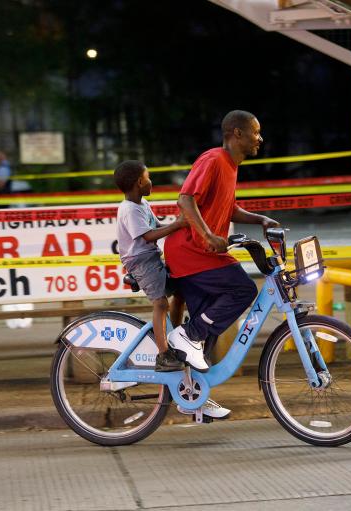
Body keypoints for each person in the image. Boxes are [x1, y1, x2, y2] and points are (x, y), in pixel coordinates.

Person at [164, 110, 279, 419]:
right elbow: (185, 199)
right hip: (191, 252)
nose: (260, 138)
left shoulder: (230, 166)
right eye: (256, 132)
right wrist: (209, 235)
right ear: (237, 133)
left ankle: (193, 393)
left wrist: (260, 219)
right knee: (242, 290)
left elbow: (228, 207)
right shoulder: (213, 159)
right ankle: (187, 335)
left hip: (204, 253)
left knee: (208, 331)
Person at [114, 160, 187, 372]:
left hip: (151, 257)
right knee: (161, 304)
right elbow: (148, 236)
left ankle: (174, 337)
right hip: (140, 261)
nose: (150, 182)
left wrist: (180, 225)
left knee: (181, 291)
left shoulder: (142, 205)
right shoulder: (130, 210)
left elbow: (157, 227)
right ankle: (163, 354)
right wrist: (177, 225)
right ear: (139, 183)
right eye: (148, 178)